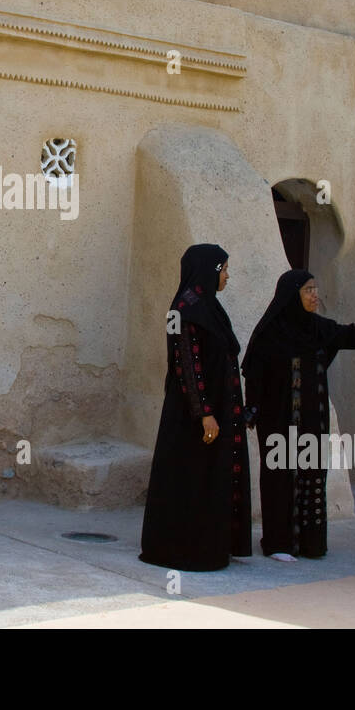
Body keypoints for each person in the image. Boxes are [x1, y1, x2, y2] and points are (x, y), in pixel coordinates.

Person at [241, 269, 355, 561]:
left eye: (316, 289)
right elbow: (253, 374)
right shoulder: (270, 333)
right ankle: (279, 543)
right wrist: (252, 410)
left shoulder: (318, 328)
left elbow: (353, 335)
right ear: (292, 295)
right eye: (308, 290)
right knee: (281, 479)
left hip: (313, 419)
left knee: (312, 477)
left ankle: (310, 543)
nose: (315, 295)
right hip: (278, 420)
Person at [140, 244, 253, 571]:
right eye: (224, 269)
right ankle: (184, 549)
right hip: (193, 417)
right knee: (190, 479)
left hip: (216, 410)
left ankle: (212, 544)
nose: (227, 276)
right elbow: (186, 363)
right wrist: (204, 413)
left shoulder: (210, 308)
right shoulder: (183, 309)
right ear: (209, 269)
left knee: (209, 480)